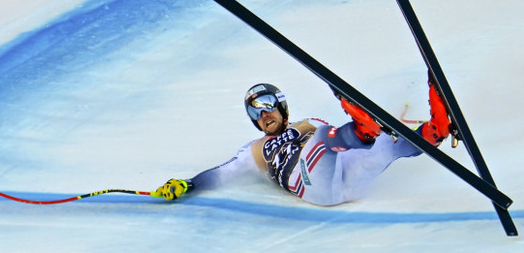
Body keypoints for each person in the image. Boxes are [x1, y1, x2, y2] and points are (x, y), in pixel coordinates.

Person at [150, 80, 451, 206]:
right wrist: (188, 184)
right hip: (310, 184)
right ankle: (364, 127)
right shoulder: (253, 151)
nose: (263, 114)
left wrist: (385, 135)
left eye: (266, 104)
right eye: (255, 111)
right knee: (325, 139)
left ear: (281, 105)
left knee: (386, 145)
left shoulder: (310, 122)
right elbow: (219, 174)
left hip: (346, 182)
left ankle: (436, 129)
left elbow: (347, 148)